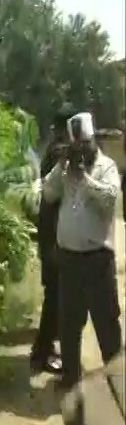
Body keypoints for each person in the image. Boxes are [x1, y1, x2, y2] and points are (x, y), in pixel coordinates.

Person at [41, 112, 123, 391]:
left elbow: (109, 199)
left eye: (84, 145)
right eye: (76, 147)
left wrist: (84, 178)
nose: (81, 151)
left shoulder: (106, 167)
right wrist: (61, 167)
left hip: (97, 260)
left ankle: (118, 382)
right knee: (69, 325)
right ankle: (71, 380)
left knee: (107, 325)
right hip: (70, 260)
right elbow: (48, 194)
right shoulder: (65, 170)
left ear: (93, 141)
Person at [31, 106, 76, 374]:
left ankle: (46, 348)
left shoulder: (54, 151)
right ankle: (42, 351)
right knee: (55, 297)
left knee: (56, 296)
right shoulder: (58, 154)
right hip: (54, 240)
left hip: (53, 237)